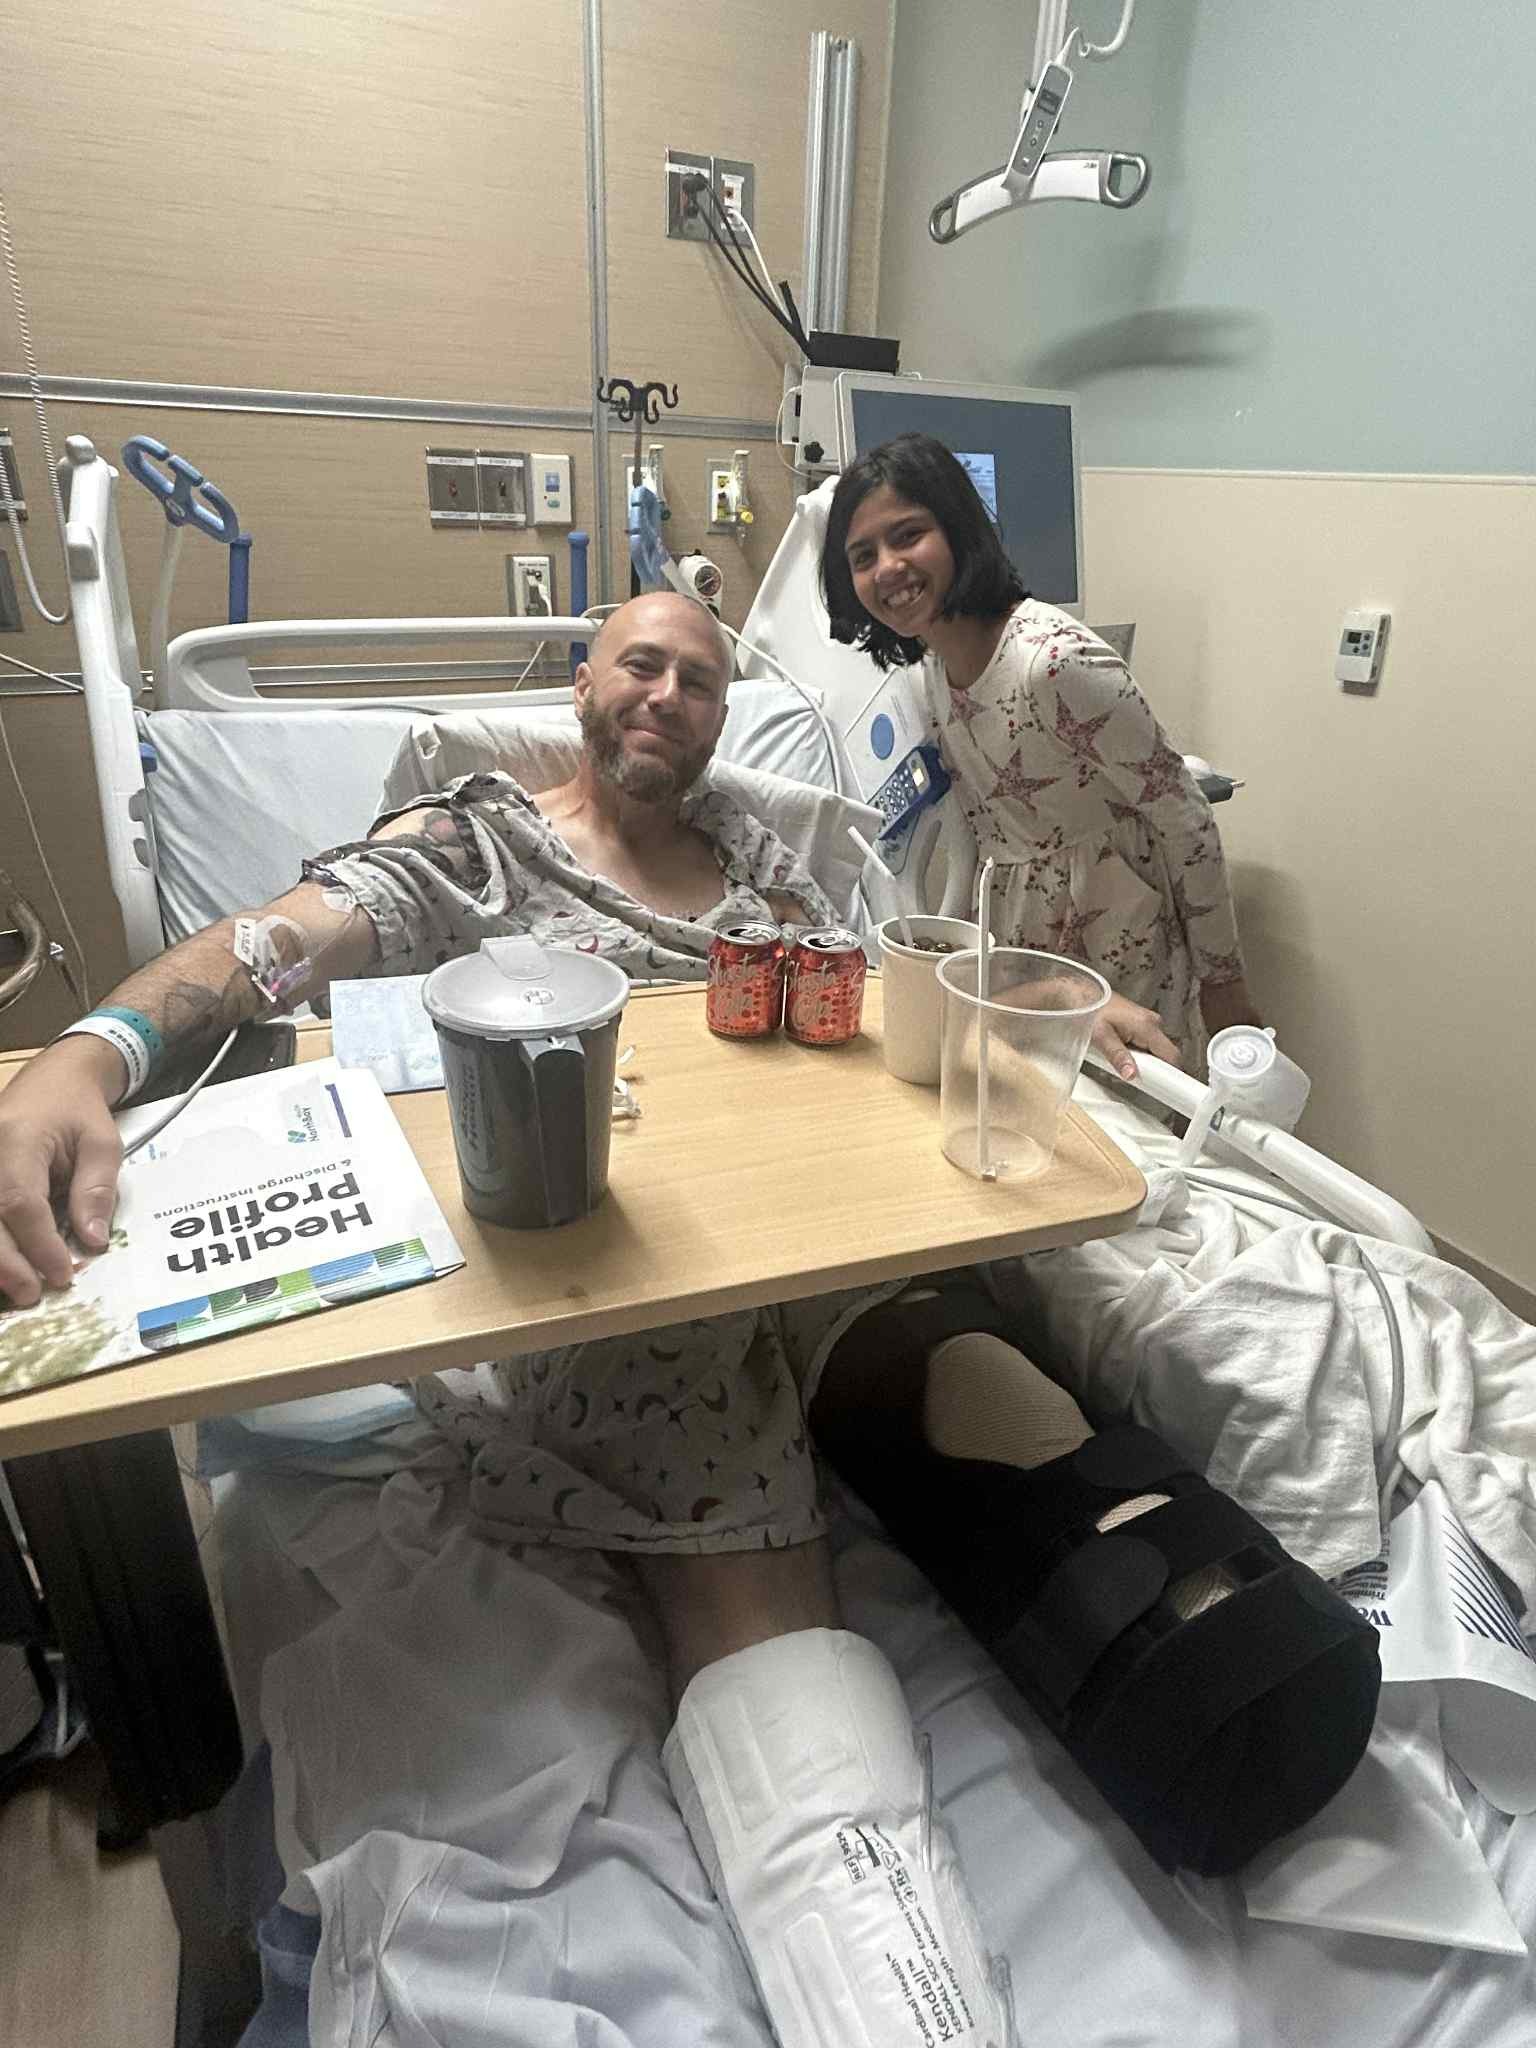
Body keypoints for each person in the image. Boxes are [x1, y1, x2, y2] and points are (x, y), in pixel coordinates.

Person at [0, 589, 1059, 2043]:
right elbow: (267, 947)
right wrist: (88, 1054)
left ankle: (1148, 1635)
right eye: (641, 664)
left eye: (700, 680)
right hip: (633, 1272)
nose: (668, 695)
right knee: (719, 1438)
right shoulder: (476, 846)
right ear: (582, 685)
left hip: (820, 1231)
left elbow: (874, 995)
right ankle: (889, 1981)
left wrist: (1017, 1012)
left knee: (1004, 1379)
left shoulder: (763, 855)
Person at [821, 431, 1261, 1062]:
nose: (887, 567)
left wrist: (1224, 984)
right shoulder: (930, 673)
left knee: (1130, 1096)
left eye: (908, 535)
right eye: (863, 555)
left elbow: (1185, 817)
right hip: (1024, 944)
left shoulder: (1053, 664)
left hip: (1121, 936)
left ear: (958, 531)